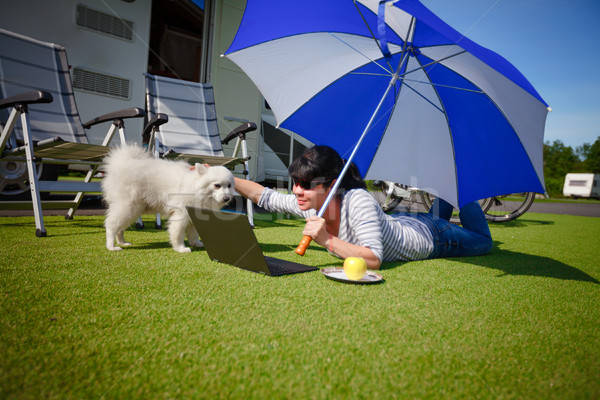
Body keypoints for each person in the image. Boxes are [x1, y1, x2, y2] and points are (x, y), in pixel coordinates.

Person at [234, 145, 492, 270]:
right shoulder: (312, 204)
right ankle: (449, 183)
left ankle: (460, 178)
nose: (296, 190)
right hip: (408, 221)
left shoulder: (358, 200)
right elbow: (265, 196)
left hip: (434, 238)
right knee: (439, 206)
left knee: (484, 241)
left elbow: (373, 259)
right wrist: (224, 179)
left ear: (331, 185)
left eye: (304, 184)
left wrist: (325, 239)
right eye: (294, 182)